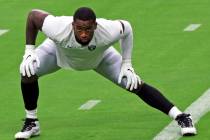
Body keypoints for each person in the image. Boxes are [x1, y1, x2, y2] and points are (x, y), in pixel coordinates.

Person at [15, 7, 197, 139]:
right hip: (57, 53)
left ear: (95, 25)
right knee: (27, 72)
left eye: (88, 29)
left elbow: (127, 28)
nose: (84, 34)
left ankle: (181, 117)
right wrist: (29, 51)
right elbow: (33, 16)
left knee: (135, 84)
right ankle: (32, 122)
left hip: (100, 57)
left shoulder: (107, 29)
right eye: (79, 29)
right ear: (72, 26)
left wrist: (127, 63)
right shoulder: (57, 27)